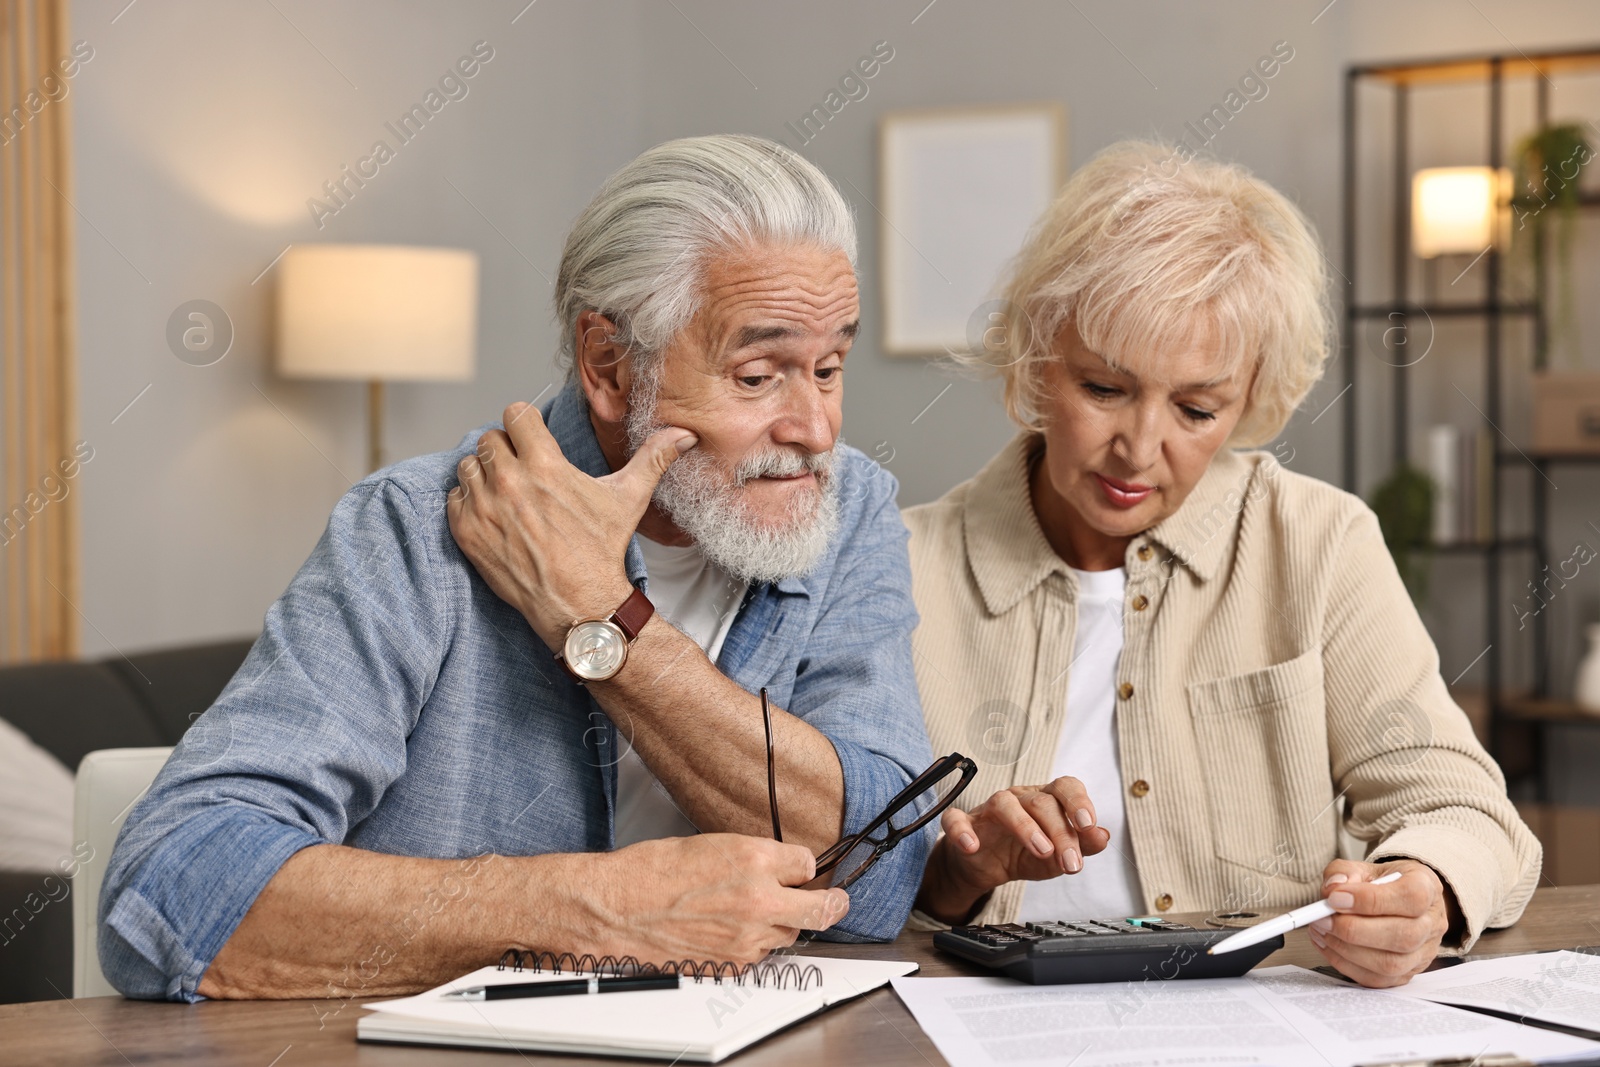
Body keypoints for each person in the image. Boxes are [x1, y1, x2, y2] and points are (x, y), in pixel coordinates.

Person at [99, 134, 935, 1002]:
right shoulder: (415, 526)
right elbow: (171, 892)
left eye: (830, 367)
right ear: (611, 366)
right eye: (758, 376)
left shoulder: (849, 507)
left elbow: (878, 873)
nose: (817, 428)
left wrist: (597, 612)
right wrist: (598, 913)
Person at [906, 141, 1540, 989]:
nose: (1138, 449)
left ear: (1247, 402)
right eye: (1102, 388)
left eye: (1197, 408)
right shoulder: (905, 566)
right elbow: (838, 878)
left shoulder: (1318, 541)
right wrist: (962, 873)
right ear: (1034, 359)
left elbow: (1465, 810)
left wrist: (1423, 889)